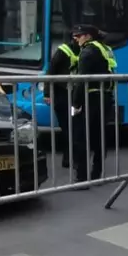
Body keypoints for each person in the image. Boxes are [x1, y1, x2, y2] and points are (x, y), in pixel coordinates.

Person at [69, 24, 118, 187]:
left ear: (88, 36)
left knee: (81, 137)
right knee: (99, 137)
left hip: (91, 99)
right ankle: (97, 174)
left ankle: (81, 177)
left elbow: (81, 80)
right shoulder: (104, 48)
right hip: (105, 97)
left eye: (79, 35)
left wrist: (76, 104)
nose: (75, 38)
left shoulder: (88, 51)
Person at [46, 25, 83, 170]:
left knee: (73, 128)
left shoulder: (84, 49)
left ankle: (69, 159)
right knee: (68, 128)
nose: (78, 38)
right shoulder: (63, 51)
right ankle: (69, 159)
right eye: (77, 36)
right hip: (62, 96)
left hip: (75, 96)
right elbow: (51, 72)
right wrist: (47, 94)